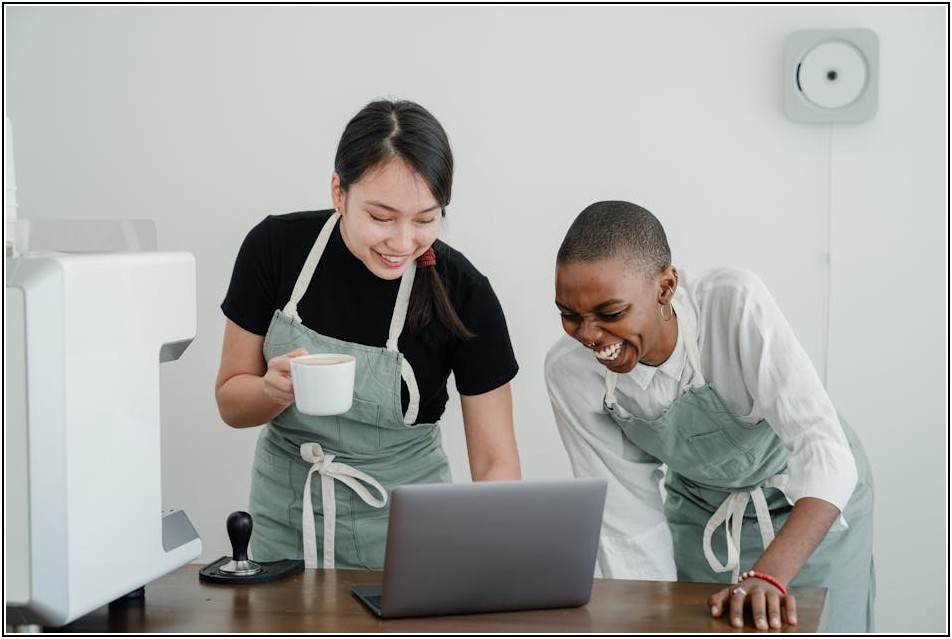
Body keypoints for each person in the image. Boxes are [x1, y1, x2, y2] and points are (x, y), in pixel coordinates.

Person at [215, 99, 521, 571]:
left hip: (411, 534)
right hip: (288, 521)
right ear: (339, 192)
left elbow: (496, 461)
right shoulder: (274, 249)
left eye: (425, 220)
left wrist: (495, 561)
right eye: (381, 217)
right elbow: (230, 402)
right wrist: (270, 391)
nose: (402, 242)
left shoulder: (464, 292)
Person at [544, 201, 874, 632]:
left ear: (665, 287)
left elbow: (824, 450)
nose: (588, 335)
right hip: (702, 514)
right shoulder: (570, 372)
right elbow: (627, 523)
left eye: (610, 314)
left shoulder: (733, 305)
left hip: (810, 503)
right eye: (569, 315)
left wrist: (769, 576)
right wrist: (644, 623)